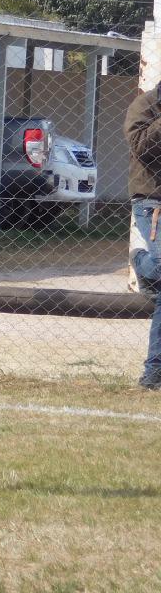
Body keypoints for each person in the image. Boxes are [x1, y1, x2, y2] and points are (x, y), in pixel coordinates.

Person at [123, 82, 161, 390]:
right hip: (154, 203)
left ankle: (153, 376)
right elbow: (142, 147)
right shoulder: (145, 105)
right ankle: (142, 260)